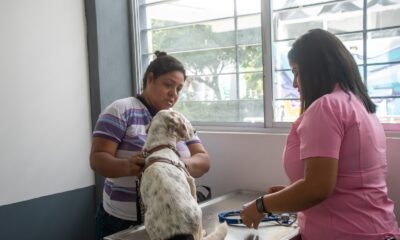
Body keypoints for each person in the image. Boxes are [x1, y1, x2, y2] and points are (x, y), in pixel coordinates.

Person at [240, 29, 400, 239]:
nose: (295, 83)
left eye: (297, 72)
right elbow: (345, 180)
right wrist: (290, 194)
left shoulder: (326, 107)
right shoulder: (358, 104)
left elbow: (316, 189)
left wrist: (261, 205)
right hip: (376, 229)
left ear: (315, 69)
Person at [90, 51, 210, 240]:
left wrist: (175, 166)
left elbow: (203, 160)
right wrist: (128, 166)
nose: (174, 94)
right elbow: (97, 159)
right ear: (150, 79)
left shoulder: (177, 120)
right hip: (122, 221)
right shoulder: (121, 110)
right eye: (168, 85)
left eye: (179, 89)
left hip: (172, 223)